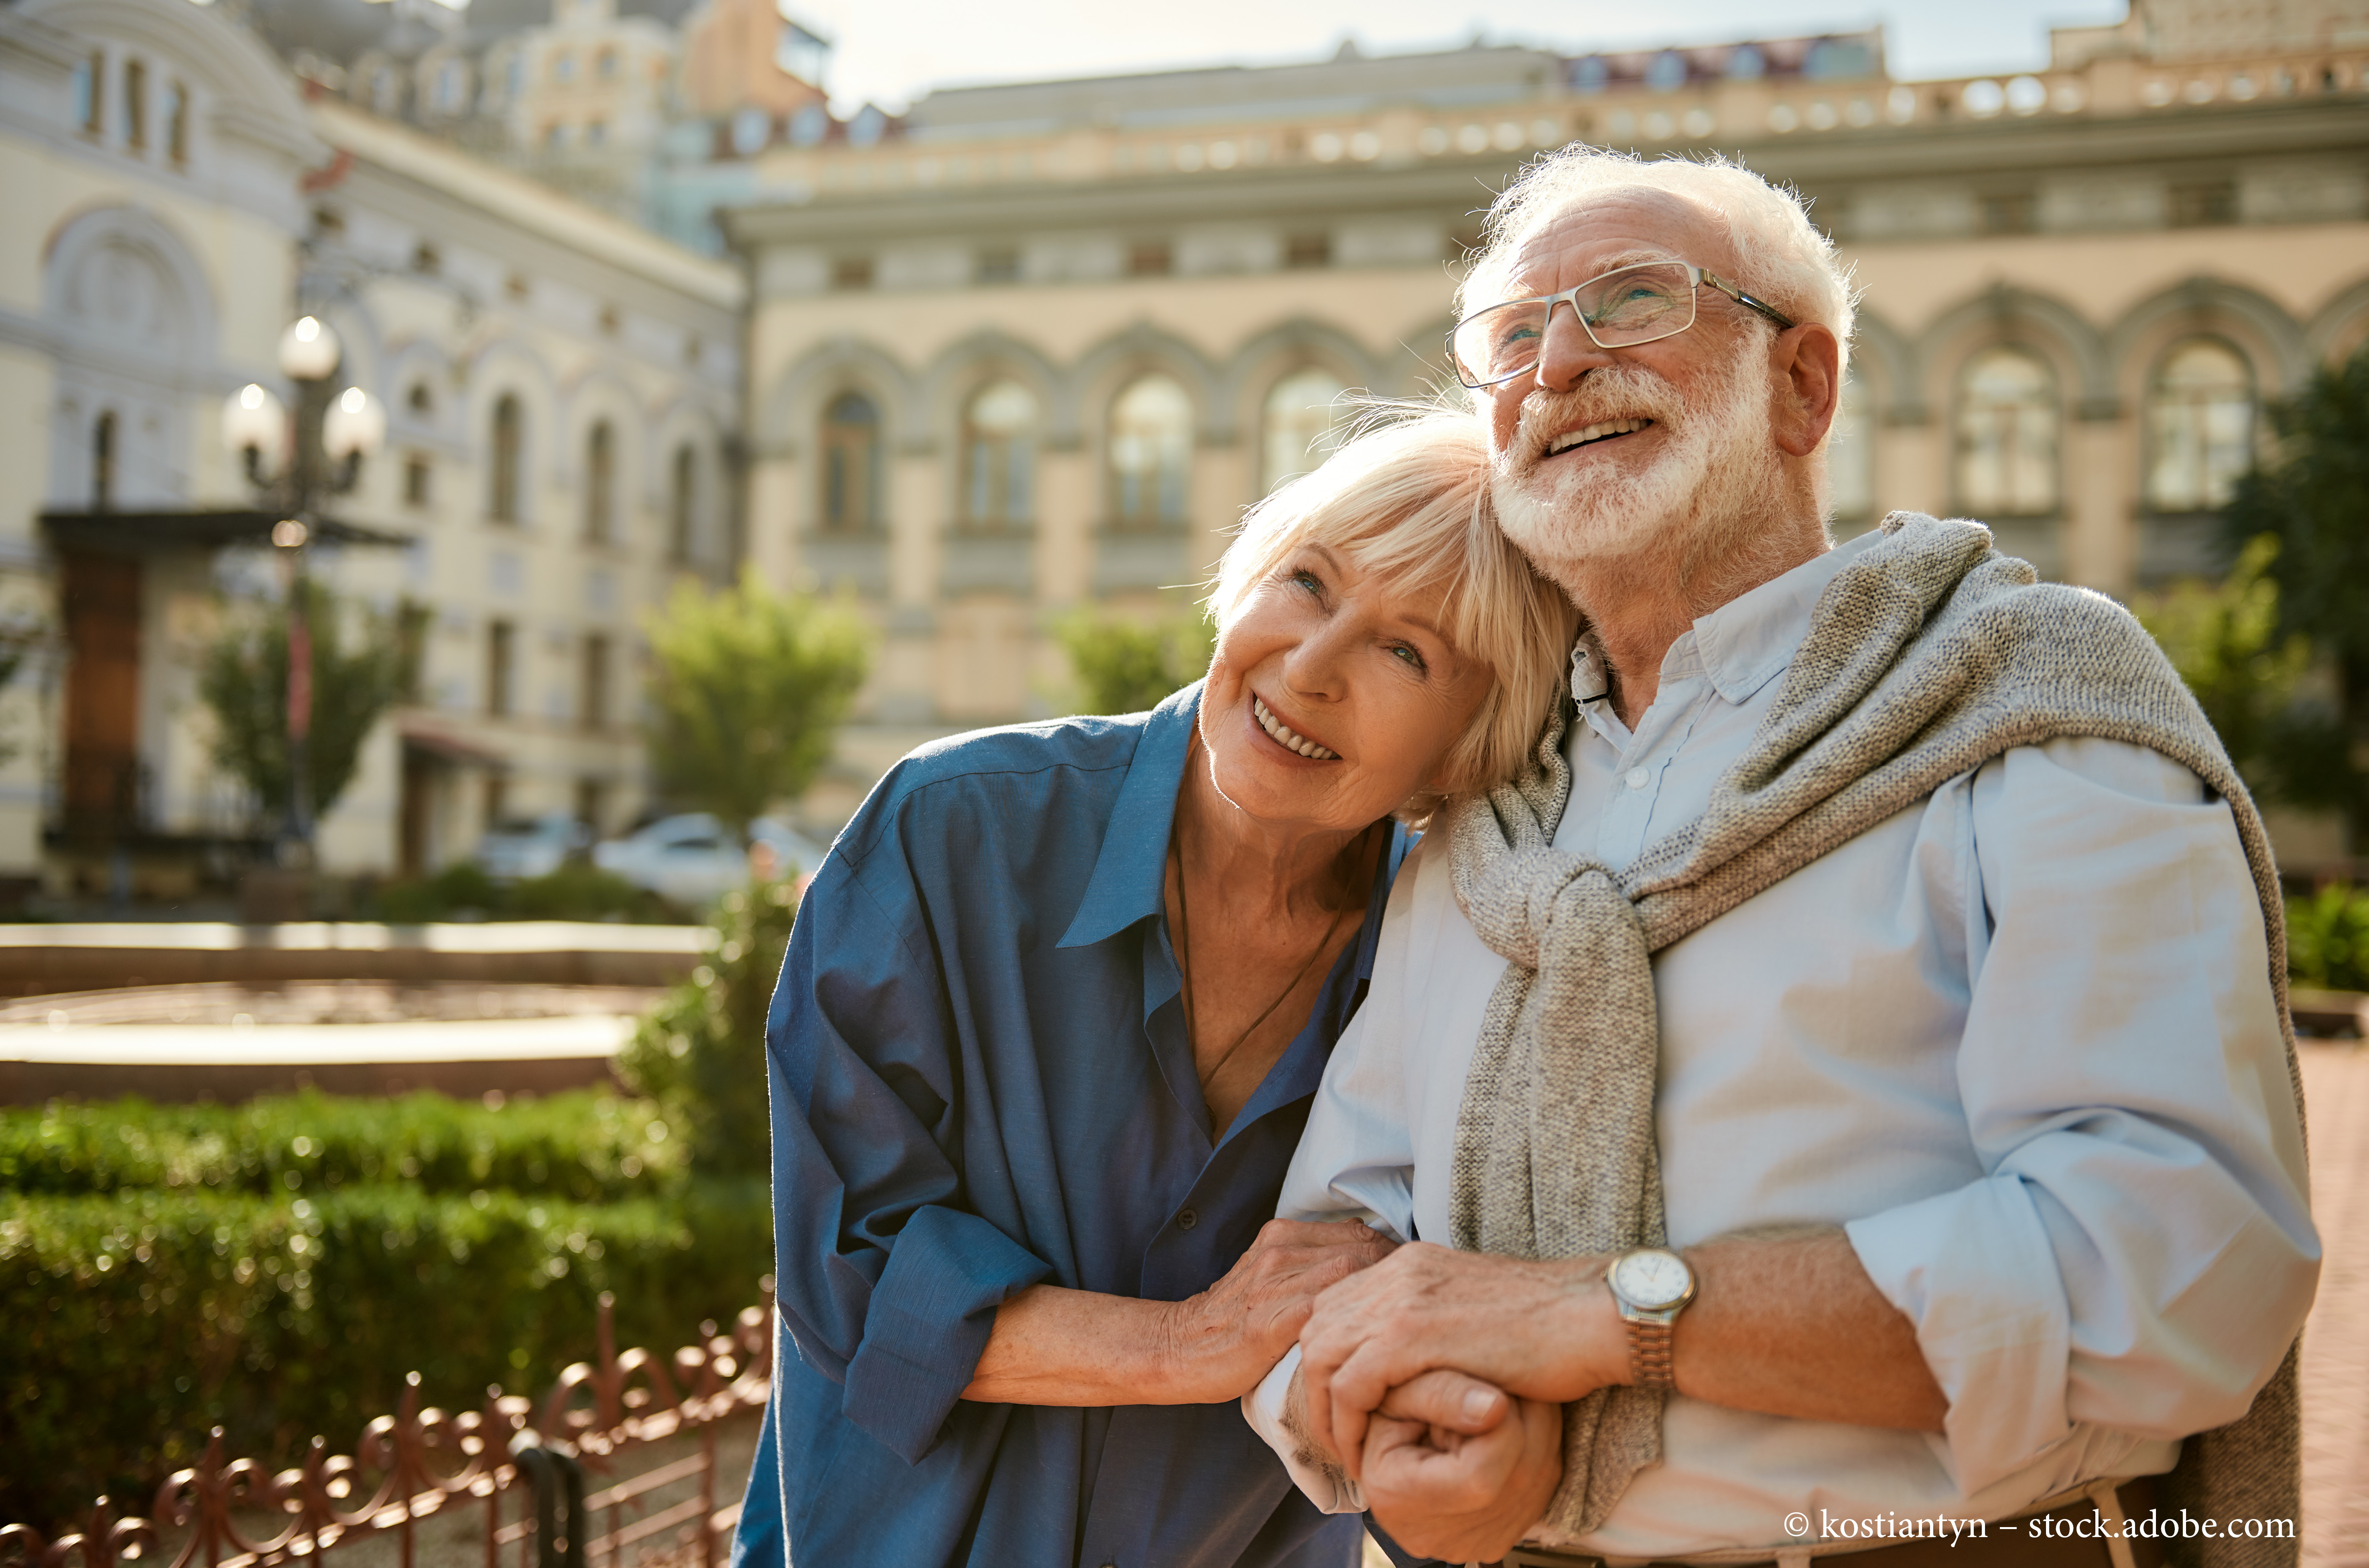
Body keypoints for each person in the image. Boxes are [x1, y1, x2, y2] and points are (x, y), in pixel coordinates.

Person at [1242, 148, 2318, 1568]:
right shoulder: (1485, 809)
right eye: (1510, 334)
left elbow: (2175, 1266)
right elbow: (1339, 1245)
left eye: (1633, 299)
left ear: (1803, 386)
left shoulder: (2026, 697)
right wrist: (1406, 1436)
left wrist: (1600, 1317)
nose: (1557, 360)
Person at [727, 409, 1580, 1568]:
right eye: (1310, 583)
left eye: (1407, 652)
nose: (1311, 666)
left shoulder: (1456, 959)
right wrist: (1197, 1341)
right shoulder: (950, 834)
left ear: (1466, 748)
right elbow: (855, 1279)